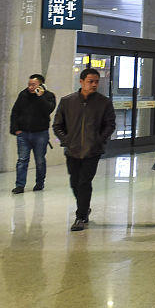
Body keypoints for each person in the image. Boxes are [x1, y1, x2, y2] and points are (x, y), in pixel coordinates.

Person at [52, 68, 116, 231]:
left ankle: (80, 216)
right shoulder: (68, 101)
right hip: (72, 150)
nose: (94, 84)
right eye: (90, 81)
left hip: (92, 150)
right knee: (74, 182)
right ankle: (84, 206)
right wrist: (66, 140)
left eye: (96, 81)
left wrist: (99, 139)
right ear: (81, 82)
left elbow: (110, 124)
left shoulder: (104, 102)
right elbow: (57, 124)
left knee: (84, 182)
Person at [9, 73, 57, 193]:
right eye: (29, 84)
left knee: (40, 160)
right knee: (22, 160)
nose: (30, 87)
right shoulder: (23, 95)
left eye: (33, 84)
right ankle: (20, 185)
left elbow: (49, 109)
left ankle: (40, 183)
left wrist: (40, 97)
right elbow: (15, 112)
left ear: (41, 85)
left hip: (40, 134)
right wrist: (15, 129)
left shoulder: (49, 96)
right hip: (23, 134)